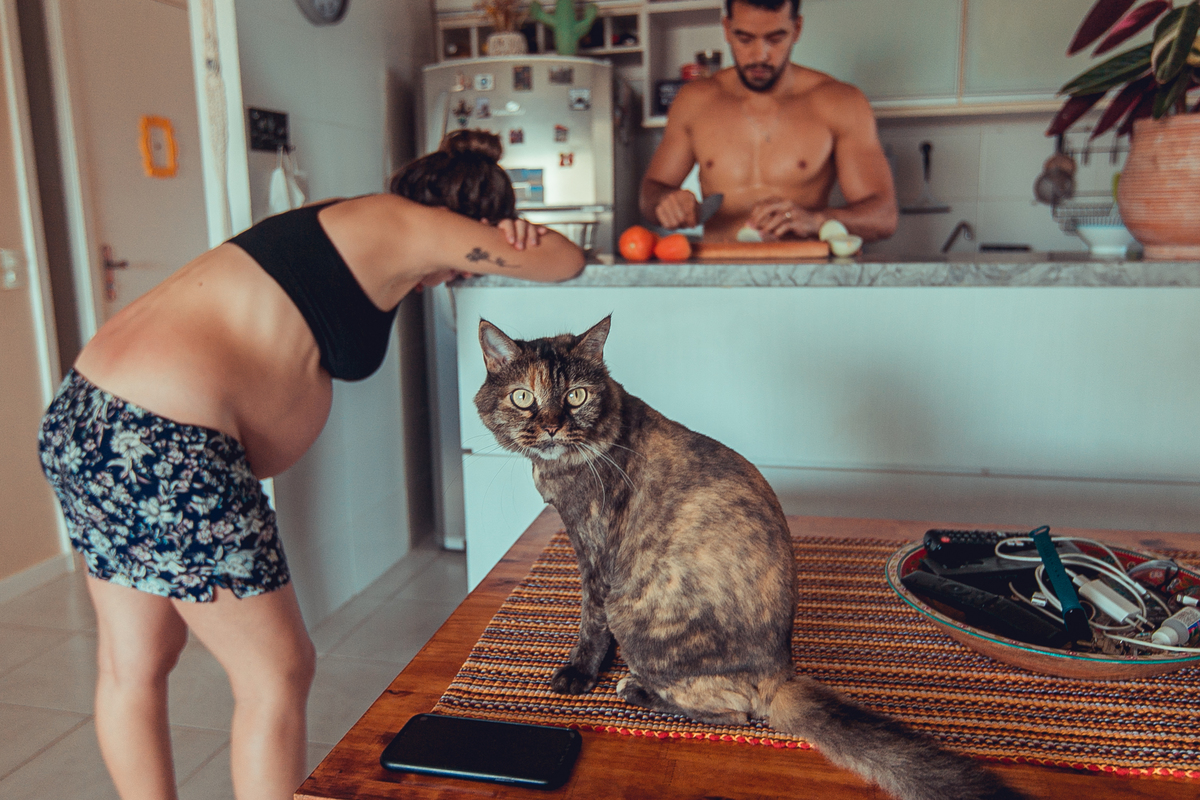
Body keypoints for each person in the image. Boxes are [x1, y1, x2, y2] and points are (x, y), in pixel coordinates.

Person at [37, 130, 584, 800]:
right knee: (278, 671)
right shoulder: (409, 223)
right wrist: (519, 235)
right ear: (466, 220)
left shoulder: (346, 224)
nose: (455, 275)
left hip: (87, 415)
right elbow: (562, 261)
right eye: (463, 261)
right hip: (163, 443)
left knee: (136, 661)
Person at [640, 0, 898, 244]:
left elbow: (883, 216)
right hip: (721, 278)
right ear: (727, 29)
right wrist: (666, 202)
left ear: (796, 29)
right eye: (745, 38)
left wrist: (817, 220)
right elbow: (650, 194)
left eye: (775, 38)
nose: (759, 56)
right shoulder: (694, 101)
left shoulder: (840, 102)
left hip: (802, 279)